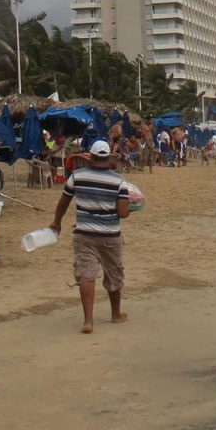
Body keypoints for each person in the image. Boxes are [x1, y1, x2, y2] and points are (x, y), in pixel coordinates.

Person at [50, 139, 131, 334]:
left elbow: (63, 202)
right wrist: (130, 208)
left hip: (84, 234)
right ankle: (116, 314)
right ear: (108, 157)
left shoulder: (77, 176)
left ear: (90, 156)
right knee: (113, 273)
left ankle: (88, 321)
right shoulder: (119, 181)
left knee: (86, 276)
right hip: (110, 235)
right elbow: (122, 213)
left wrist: (56, 222)